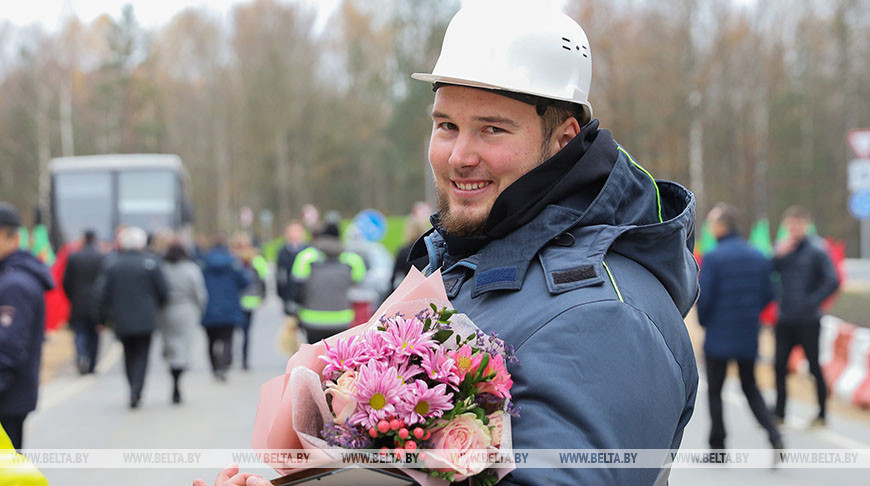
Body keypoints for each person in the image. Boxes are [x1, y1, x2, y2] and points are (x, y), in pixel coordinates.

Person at [202, 2, 698, 485]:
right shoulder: (465, 264)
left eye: (491, 129)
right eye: (447, 126)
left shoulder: (604, 315)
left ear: (564, 140)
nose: (459, 156)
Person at [697, 204, 783, 451]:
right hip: (747, 331)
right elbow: (769, 293)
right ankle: (774, 434)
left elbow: (705, 296)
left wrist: (705, 322)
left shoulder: (713, 257)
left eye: (713, 223)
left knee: (715, 391)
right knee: (750, 387)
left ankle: (718, 447)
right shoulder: (757, 255)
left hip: (718, 333)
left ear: (722, 226)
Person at [771, 205, 839, 426]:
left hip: (808, 319)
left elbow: (832, 280)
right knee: (779, 365)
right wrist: (777, 255)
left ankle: (822, 413)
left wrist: (812, 301)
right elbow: (768, 272)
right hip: (785, 317)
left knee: (813, 366)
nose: (794, 229)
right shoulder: (783, 248)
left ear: (806, 225)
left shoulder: (818, 249)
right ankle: (780, 413)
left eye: (798, 224)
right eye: (790, 225)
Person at [0, 202, 54, 450]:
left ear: (9, 236)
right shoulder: (11, 275)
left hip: (8, 397)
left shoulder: (15, 283)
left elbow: (8, 347)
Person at [95, 226, 168, 409]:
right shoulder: (151, 263)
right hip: (145, 318)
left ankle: (133, 387)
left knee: (128, 354)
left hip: (122, 318)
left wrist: (103, 317)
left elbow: (102, 293)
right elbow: (163, 291)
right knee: (142, 354)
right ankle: (137, 389)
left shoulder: (112, 264)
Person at [291, 223, 365, 343]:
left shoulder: (306, 256)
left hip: (311, 320)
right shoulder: (352, 259)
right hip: (342, 320)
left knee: (315, 358)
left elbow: (296, 288)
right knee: (339, 357)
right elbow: (359, 284)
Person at [158, 240, 208, 404]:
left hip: (166, 311)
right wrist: (201, 309)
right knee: (183, 347)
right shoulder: (191, 269)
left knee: (171, 346)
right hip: (186, 310)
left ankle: (174, 374)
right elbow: (199, 292)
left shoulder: (162, 269)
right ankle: (178, 376)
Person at [201, 233, 250, 381]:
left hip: (208, 307)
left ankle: (215, 367)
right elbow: (245, 281)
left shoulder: (204, 263)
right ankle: (224, 365)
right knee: (227, 338)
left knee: (211, 340)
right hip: (230, 306)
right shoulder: (234, 263)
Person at [62, 229, 106, 374]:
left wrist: (72, 297)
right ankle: (92, 365)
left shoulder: (74, 257)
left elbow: (66, 281)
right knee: (95, 334)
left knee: (80, 332)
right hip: (97, 303)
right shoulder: (102, 257)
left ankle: (81, 356)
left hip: (78, 300)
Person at [230, 232, 269, 370]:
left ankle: (229, 358)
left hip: (235, 300)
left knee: (232, 331)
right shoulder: (256, 259)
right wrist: (263, 295)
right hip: (251, 300)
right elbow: (264, 278)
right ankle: (244, 360)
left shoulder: (232, 259)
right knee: (246, 332)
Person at [276, 221, 307, 316]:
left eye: (297, 231)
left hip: (306, 298)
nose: (294, 234)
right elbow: (280, 276)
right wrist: (284, 297)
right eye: (291, 231)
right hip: (289, 296)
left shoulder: (309, 250)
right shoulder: (282, 251)